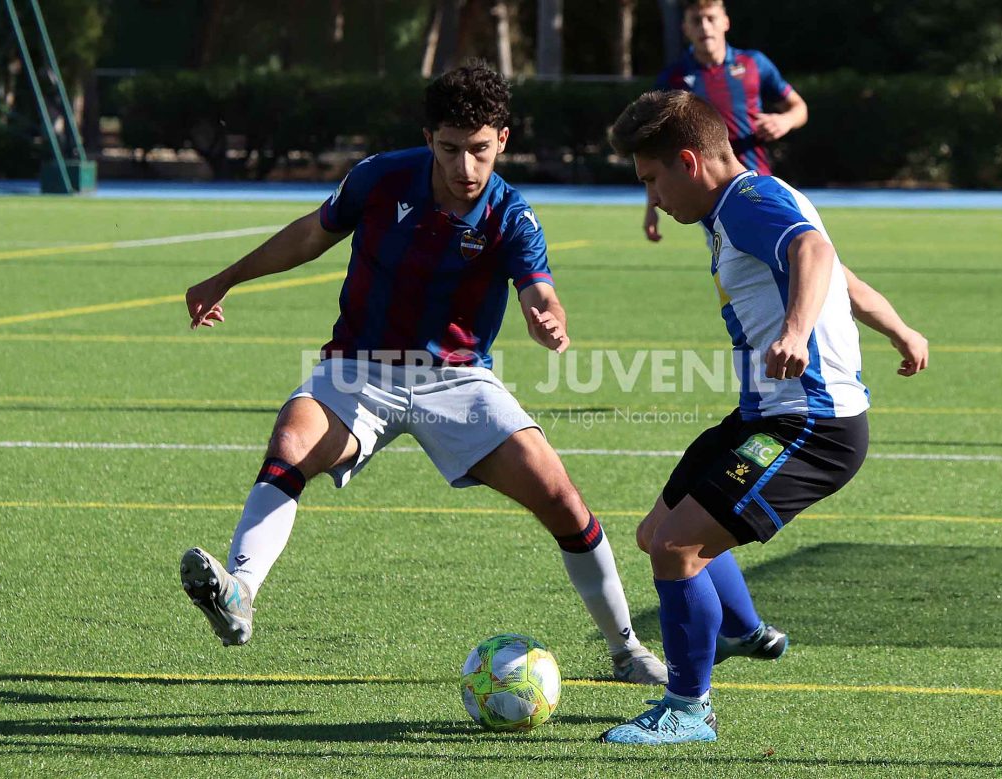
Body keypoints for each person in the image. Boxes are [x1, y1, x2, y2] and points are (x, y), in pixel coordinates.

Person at [177, 62, 667, 686]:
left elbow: (539, 290)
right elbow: (309, 236)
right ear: (429, 137)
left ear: (503, 140)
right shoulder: (381, 177)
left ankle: (627, 651)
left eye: (480, 149)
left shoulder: (512, 216)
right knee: (291, 442)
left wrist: (549, 319)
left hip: (458, 380)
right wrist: (226, 279)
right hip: (359, 369)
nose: (466, 166)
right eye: (451, 149)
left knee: (563, 502)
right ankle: (239, 592)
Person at [600, 90, 927, 744]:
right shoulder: (741, 205)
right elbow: (841, 276)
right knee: (657, 531)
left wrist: (797, 331)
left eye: (652, 180)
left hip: (811, 426)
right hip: (764, 413)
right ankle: (742, 631)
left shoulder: (748, 202)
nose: (653, 198)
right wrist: (900, 328)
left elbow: (815, 252)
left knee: (676, 547)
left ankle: (688, 709)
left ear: (689, 162)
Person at [643, 0, 808, 243]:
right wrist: (652, 206)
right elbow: (654, 146)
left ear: (725, 22)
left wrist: (785, 120)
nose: (704, 27)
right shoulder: (673, 78)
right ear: (685, 29)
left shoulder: (754, 63)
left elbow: (799, 108)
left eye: (710, 18)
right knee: (741, 260)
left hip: (755, 181)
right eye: (696, 21)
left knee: (789, 245)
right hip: (710, 194)